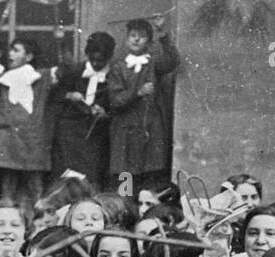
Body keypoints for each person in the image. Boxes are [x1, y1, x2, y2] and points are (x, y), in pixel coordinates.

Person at [107, 16, 179, 195]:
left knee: (149, 177)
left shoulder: (153, 64)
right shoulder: (118, 68)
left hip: (149, 130)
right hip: (125, 133)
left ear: (148, 41)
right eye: (132, 35)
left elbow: (172, 60)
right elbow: (115, 100)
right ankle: (125, 210)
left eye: (142, 36)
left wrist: (162, 32)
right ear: (126, 39)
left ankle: (146, 212)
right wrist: (137, 93)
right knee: (126, 181)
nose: (136, 39)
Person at [0, 38, 55, 217]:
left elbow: (68, 69)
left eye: (16, 50)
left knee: (36, 189)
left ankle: (41, 225)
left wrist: (60, 43)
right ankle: (7, 222)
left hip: (33, 141)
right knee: (8, 190)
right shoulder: (2, 78)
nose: (10, 54)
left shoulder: (42, 76)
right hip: (7, 141)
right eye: (10, 50)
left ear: (29, 56)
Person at [52, 32, 116, 188]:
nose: (95, 63)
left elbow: (119, 102)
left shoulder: (114, 75)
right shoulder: (75, 70)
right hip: (70, 131)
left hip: (95, 133)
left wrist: (105, 113)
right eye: (91, 59)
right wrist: (69, 95)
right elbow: (54, 95)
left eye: (100, 61)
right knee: (68, 173)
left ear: (109, 57)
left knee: (91, 173)